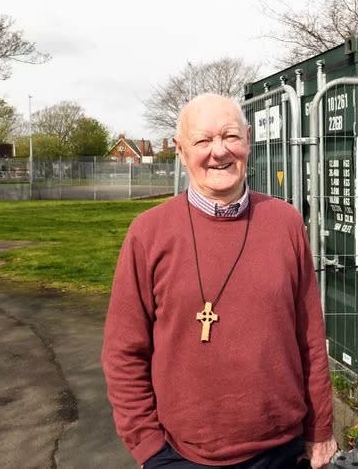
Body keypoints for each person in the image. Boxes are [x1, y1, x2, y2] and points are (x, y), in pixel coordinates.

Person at [101, 93, 337, 468]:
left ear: (248, 140)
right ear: (180, 150)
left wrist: (320, 428)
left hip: (281, 449)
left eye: (230, 137)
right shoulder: (148, 233)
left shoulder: (285, 223)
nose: (219, 152)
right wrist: (147, 445)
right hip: (182, 454)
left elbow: (309, 335)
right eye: (203, 140)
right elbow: (123, 351)